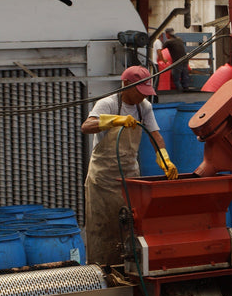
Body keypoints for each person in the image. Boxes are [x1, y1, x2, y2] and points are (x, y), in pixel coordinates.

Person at [81, 66, 177, 266]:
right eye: (139, 92)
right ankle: (103, 271)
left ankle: (130, 272)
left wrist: (164, 158)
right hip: (103, 182)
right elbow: (86, 126)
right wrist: (115, 120)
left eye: (145, 93)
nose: (143, 97)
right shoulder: (107, 104)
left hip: (129, 178)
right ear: (126, 85)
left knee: (129, 228)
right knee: (103, 228)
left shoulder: (144, 107)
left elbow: (156, 136)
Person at [163, 28, 189, 92]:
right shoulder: (179, 39)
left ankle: (180, 91)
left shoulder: (168, 42)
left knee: (176, 79)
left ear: (167, 34)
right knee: (184, 77)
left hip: (177, 61)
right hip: (185, 60)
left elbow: (161, 50)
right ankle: (186, 90)